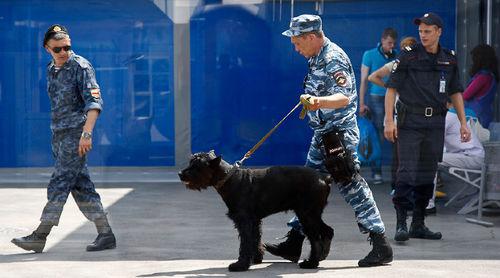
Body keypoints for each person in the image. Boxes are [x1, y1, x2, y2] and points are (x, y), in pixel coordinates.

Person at [265, 14, 392, 267]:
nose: (295, 47)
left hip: (339, 136)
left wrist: (318, 102)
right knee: (305, 186)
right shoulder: (316, 57)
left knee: (351, 185)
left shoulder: (332, 58)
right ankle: (294, 240)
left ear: (311, 37)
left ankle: (381, 244)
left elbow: (345, 96)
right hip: (324, 134)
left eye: (297, 42)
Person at [11, 24, 116, 253]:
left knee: (58, 183)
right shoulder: (51, 69)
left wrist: (86, 134)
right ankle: (106, 233)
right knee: (81, 186)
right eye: (58, 48)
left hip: (75, 136)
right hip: (58, 136)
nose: (64, 52)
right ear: (47, 48)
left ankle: (41, 234)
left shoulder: (81, 66)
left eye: (67, 47)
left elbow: (94, 103)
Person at [384, 12, 471, 242]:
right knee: (406, 173)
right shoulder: (408, 56)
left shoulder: (449, 59)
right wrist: (389, 120)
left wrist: (463, 123)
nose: (422, 35)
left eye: (428, 31)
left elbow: (456, 92)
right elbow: (391, 89)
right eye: (421, 31)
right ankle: (401, 222)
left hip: (435, 124)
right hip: (410, 123)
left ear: (439, 32)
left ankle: (419, 224)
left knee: (427, 174)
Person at [368, 36, 417, 193]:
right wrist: (390, 87)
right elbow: (371, 77)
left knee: (400, 153)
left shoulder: (398, 64)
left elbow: (372, 77)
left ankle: (398, 186)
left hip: (404, 114)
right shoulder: (398, 64)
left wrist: (390, 87)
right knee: (402, 153)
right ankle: (398, 186)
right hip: (403, 114)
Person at [426, 102, 484, 213]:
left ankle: (428, 205)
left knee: (430, 160)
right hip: (467, 155)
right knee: (429, 159)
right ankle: (424, 200)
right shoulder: (449, 116)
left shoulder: (448, 117)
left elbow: (435, 143)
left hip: (471, 157)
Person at [359, 27, 398, 185]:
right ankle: (376, 171)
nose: (391, 46)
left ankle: (395, 173)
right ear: (382, 40)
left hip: (395, 97)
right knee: (378, 134)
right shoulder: (369, 55)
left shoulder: (397, 56)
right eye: (389, 43)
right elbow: (364, 81)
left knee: (394, 132)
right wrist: (361, 103)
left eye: (394, 44)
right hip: (376, 98)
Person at [463, 44, 499, 128]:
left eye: (474, 58)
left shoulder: (483, 77)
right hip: (484, 115)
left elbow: (465, 95)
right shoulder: (491, 76)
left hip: (476, 118)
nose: (473, 62)